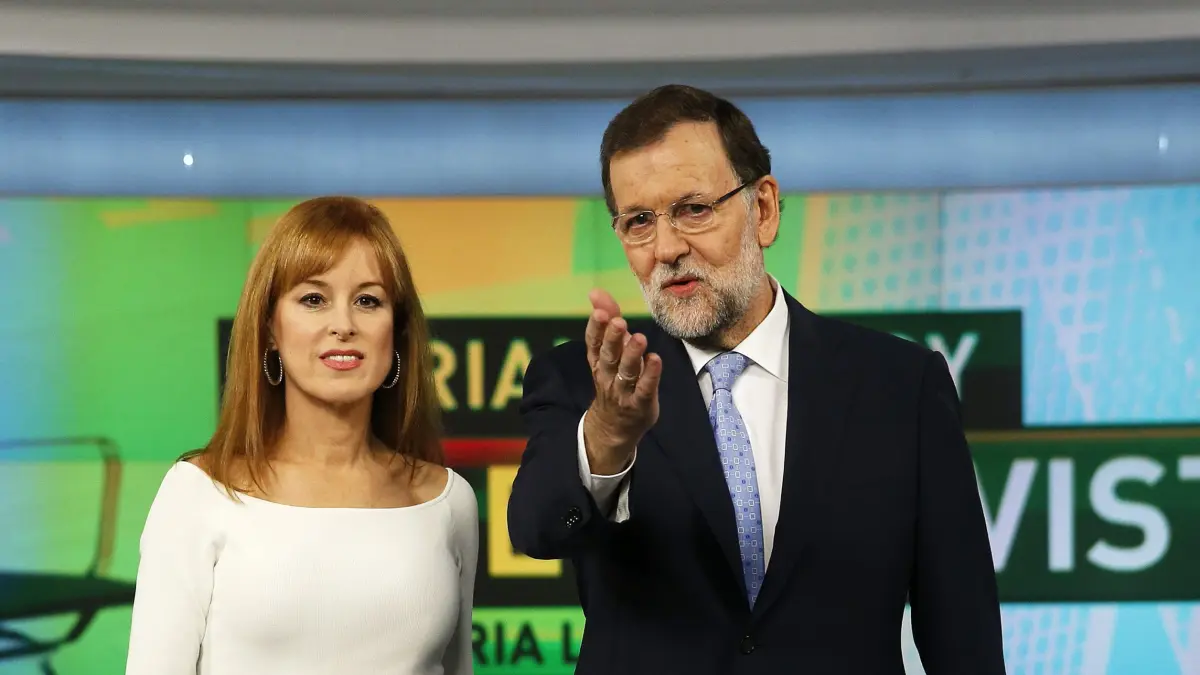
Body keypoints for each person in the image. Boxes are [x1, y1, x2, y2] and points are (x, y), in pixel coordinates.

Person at [506, 85, 1005, 674]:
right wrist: (609, 437)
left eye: (694, 209)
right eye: (639, 221)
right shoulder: (585, 382)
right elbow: (536, 530)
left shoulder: (900, 387)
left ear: (762, 209)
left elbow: (963, 632)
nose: (666, 248)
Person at [125, 197, 478, 675]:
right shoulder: (199, 494)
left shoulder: (448, 502)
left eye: (368, 301)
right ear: (270, 327)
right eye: (314, 299)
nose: (343, 326)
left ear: (396, 331)